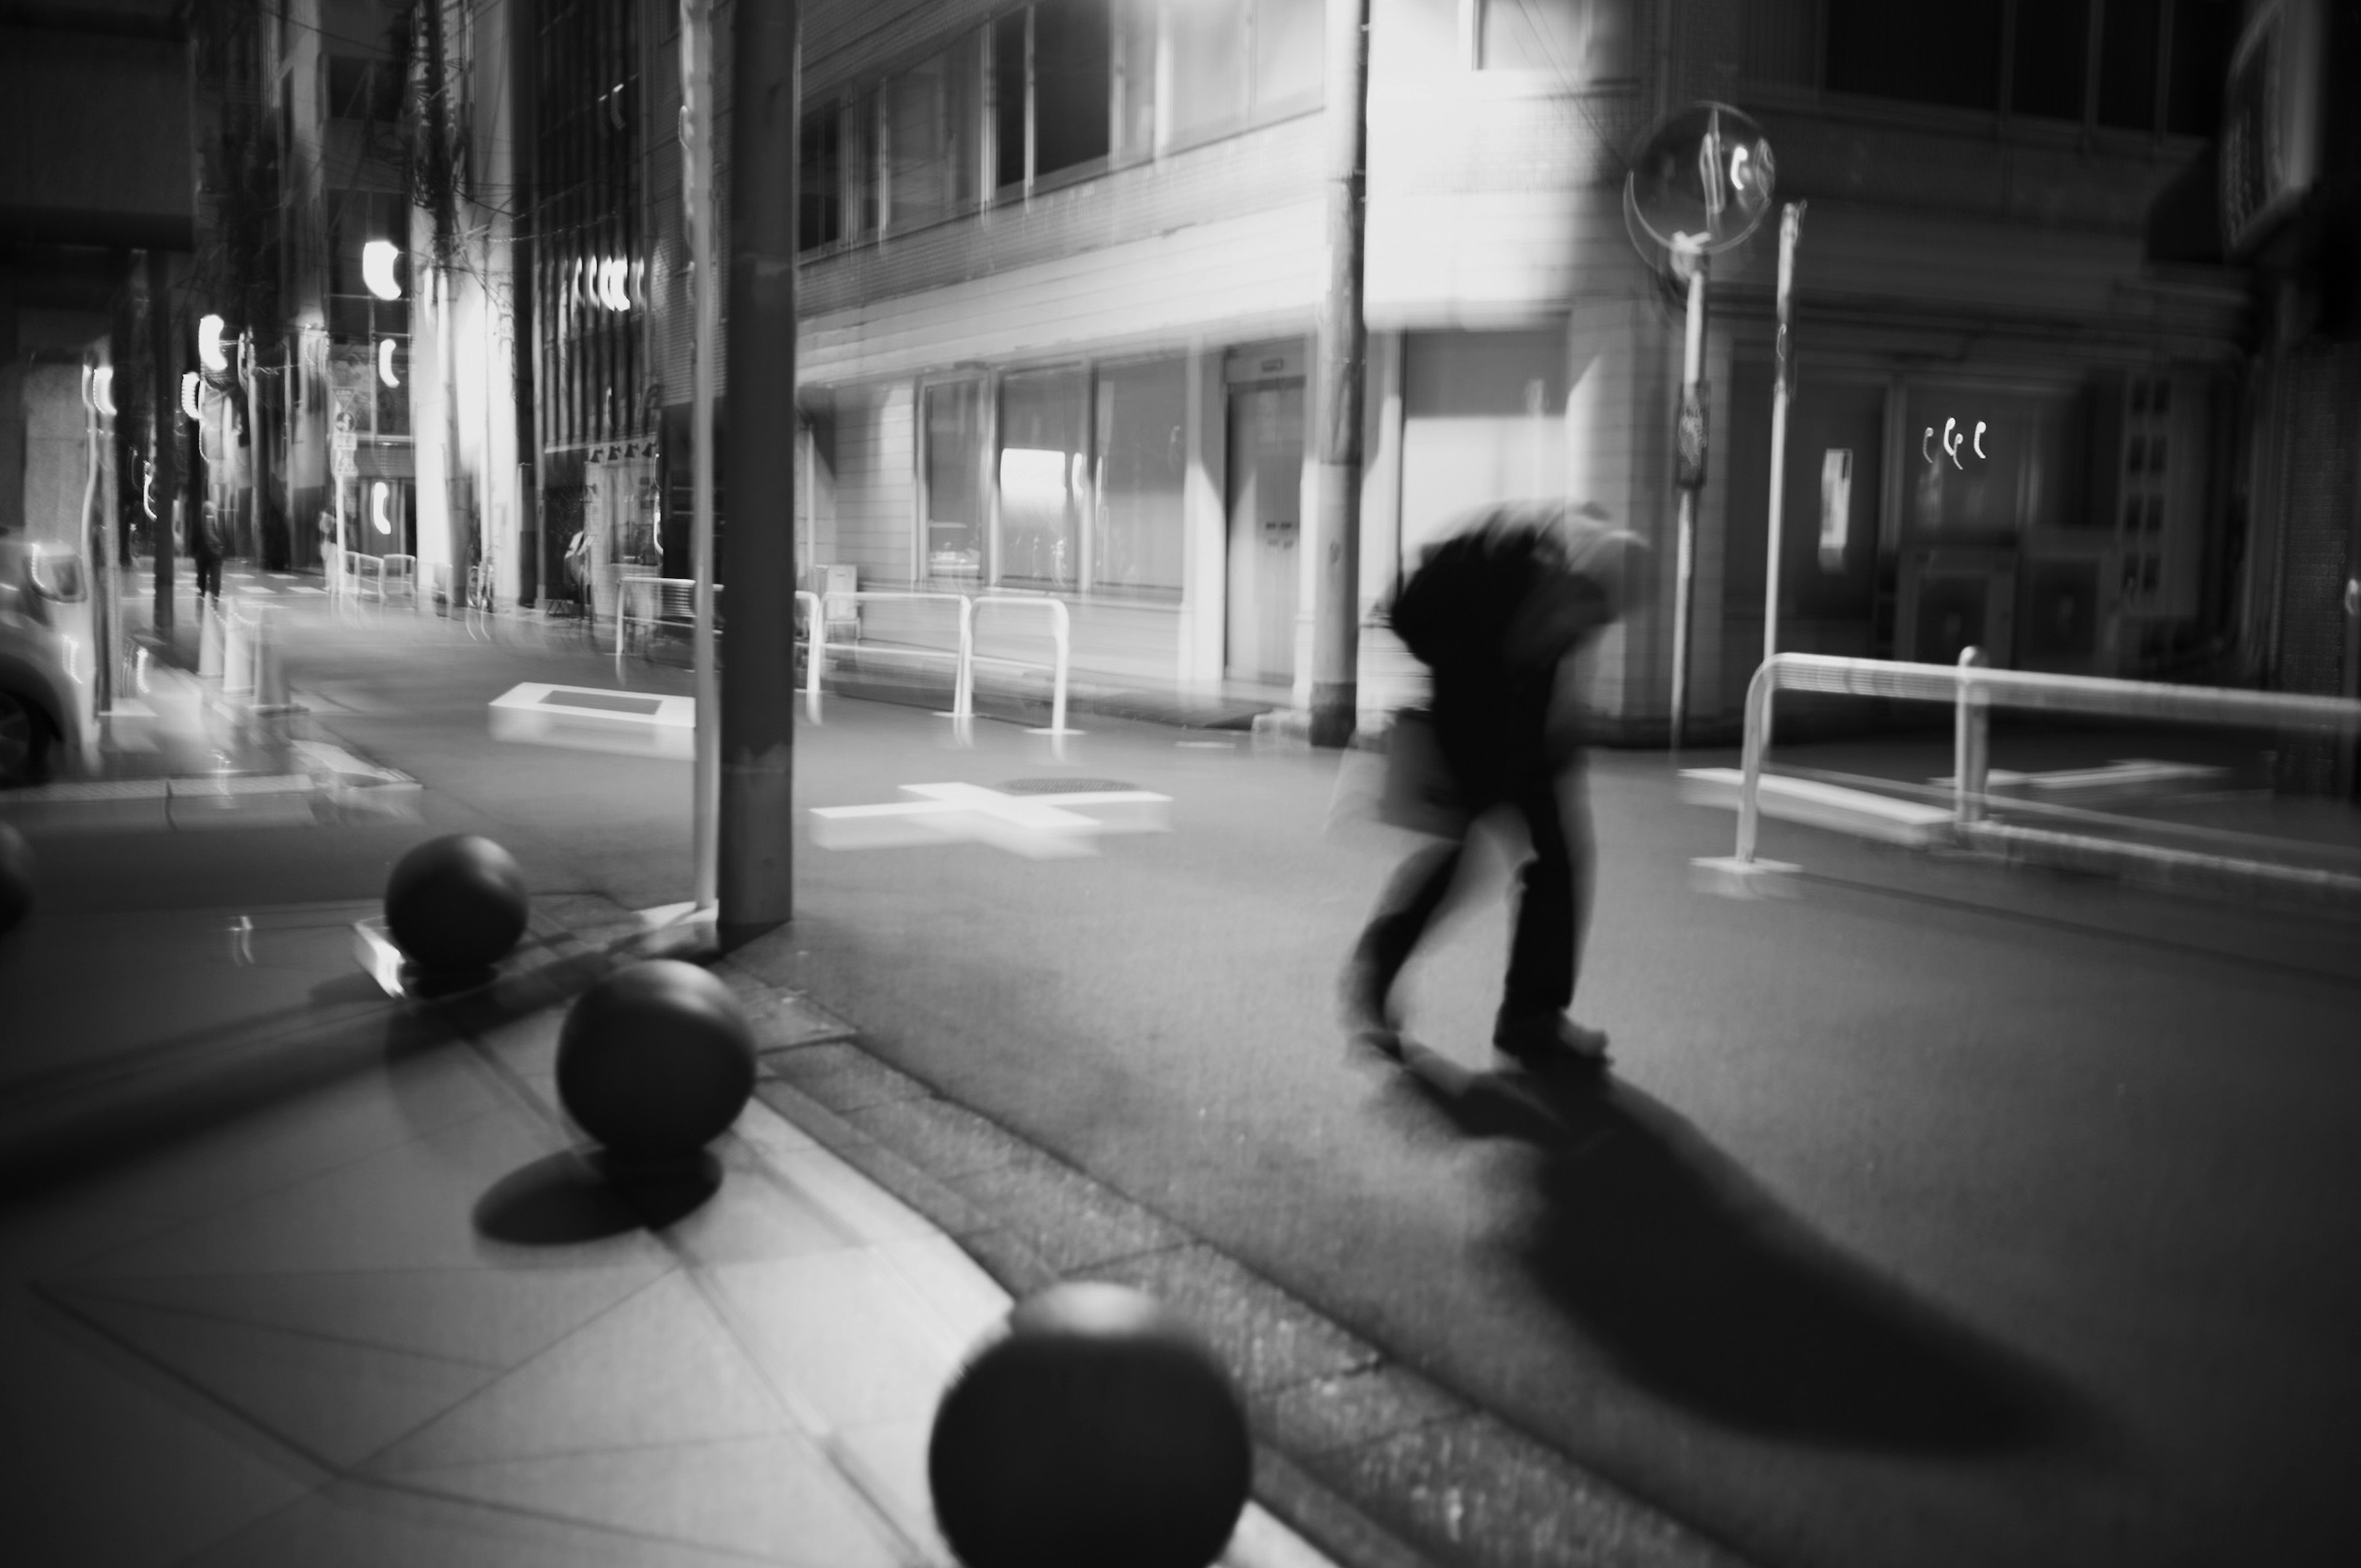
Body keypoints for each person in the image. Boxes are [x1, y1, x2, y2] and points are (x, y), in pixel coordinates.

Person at [1341, 499, 1644, 1073]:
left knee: (1556, 859)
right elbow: (1454, 645)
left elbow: (1553, 665)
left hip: (1513, 714)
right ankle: (1377, 971)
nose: (1595, 621)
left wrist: (1560, 727)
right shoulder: (1507, 575)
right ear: (1577, 579)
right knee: (1462, 856)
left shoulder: (1571, 578)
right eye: (1594, 605)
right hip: (1471, 709)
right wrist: (1491, 718)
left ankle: (1530, 1021)